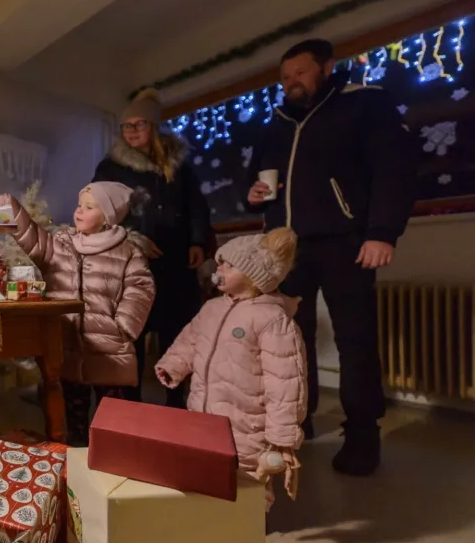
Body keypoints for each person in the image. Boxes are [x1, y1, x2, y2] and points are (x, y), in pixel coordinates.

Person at [245, 39, 418, 476]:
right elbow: (257, 182)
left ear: (327, 67)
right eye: (285, 77)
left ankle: (362, 433)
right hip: (286, 249)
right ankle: (297, 423)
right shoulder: (277, 124)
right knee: (289, 343)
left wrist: (381, 232)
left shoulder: (364, 105)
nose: (291, 83)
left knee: (354, 341)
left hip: (346, 241)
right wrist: (252, 197)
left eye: (300, 73)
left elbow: (393, 169)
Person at [155, 228, 307, 511]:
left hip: (248, 422)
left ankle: (250, 522)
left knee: (248, 473)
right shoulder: (212, 308)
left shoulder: (272, 319)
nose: (218, 269)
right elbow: (190, 340)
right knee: (205, 464)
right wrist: (173, 365)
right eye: (220, 262)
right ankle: (214, 515)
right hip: (203, 413)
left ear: (254, 275)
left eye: (228, 265)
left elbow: (286, 381)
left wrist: (282, 434)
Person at [0, 181, 155, 446]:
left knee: (113, 416)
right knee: (72, 413)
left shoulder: (128, 252)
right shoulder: (62, 244)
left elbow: (141, 289)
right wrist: (12, 209)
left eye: (89, 207)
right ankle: (76, 459)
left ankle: (113, 461)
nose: (79, 211)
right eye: (79, 205)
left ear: (108, 216)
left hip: (108, 348)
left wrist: (124, 327)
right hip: (68, 344)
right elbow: (32, 239)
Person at [92, 88, 212, 407]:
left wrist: (198, 240)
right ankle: (131, 402)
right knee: (133, 332)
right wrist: (128, 238)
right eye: (126, 126)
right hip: (132, 260)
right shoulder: (110, 168)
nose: (131, 131)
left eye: (139, 124)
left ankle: (176, 400)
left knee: (178, 331)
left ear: (154, 126)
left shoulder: (180, 166)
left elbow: (196, 206)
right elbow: (98, 210)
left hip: (175, 260)